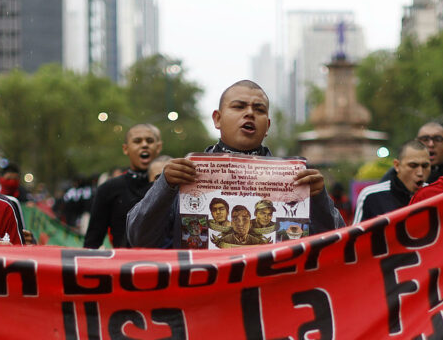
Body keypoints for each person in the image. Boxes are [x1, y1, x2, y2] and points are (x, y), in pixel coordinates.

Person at [126, 80, 342, 248]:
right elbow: (139, 238)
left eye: (259, 109)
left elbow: (338, 241)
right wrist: (165, 186)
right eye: (239, 107)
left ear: (267, 126)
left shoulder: (297, 179)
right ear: (217, 119)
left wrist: (319, 198)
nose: (249, 113)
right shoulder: (185, 175)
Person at [83, 123, 162, 249]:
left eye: (150, 141)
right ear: (125, 149)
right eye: (137, 141)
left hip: (165, 266)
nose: (144, 145)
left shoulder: (173, 188)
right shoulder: (108, 189)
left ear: (158, 147)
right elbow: (92, 242)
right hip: (125, 266)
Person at [353, 139, 430, 224]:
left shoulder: (435, 195)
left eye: (425, 166)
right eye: (413, 166)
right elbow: (355, 235)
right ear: (397, 165)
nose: (420, 172)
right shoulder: (370, 196)